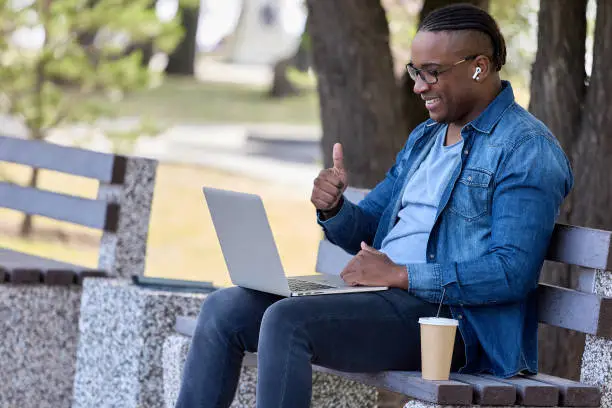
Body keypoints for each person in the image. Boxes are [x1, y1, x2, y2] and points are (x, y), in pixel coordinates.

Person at [175, 4, 573, 407]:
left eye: (432, 72)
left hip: (452, 324)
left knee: (287, 321)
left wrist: (401, 274)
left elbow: (512, 272)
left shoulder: (527, 149)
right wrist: (334, 208)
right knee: (225, 307)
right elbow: (367, 227)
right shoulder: (425, 139)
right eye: (416, 72)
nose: (419, 86)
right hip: (382, 298)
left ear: (479, 67)